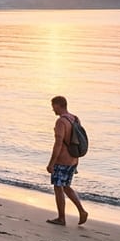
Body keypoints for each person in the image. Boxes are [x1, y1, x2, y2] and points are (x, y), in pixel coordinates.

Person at [47, 95, 89, 225]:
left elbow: (58, 144)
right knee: (66, 186)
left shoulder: (61, 122)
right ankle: (81, 210)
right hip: (73, 159)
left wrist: (51, 163)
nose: (53, 109)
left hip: (62, 160)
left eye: (53, 106)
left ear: (59, 105)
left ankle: (61, 218)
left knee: (58, 187)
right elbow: (76, 140)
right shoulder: (75, 118)